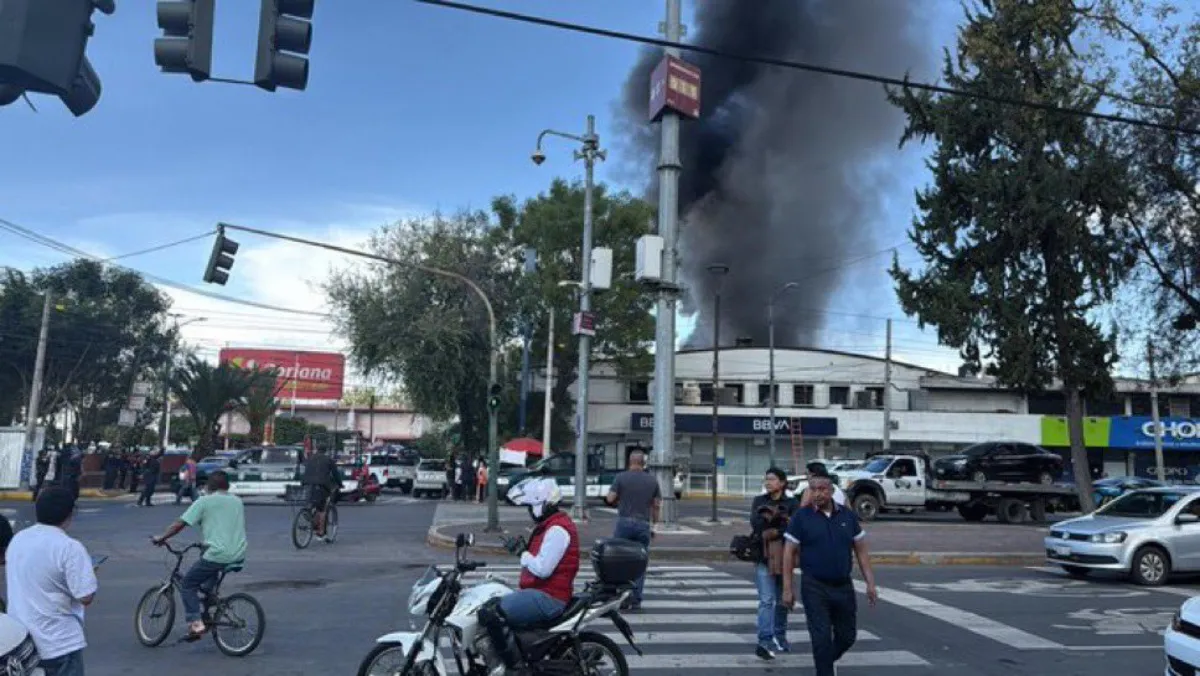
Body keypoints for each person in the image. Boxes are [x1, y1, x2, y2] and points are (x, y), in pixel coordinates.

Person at [781, 475, 877, 676]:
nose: (817, 493)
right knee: (821, 637)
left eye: (822, 489)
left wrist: (870, 583)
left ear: (832, 491)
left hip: (843, 586)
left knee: (847, 636)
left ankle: (826, 660)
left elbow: (860, 550)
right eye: (813, 489)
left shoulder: (847, 517)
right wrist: (787, 589)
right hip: (814, 586)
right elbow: (788, 553)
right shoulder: (802, 517)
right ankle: (824, 669)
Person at [480, 477, 579, 670]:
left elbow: (543, 569)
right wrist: (525, 550)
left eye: (530, 506)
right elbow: (542, 558)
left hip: (550, 597)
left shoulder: (558, 530)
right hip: (542, 591)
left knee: (492, 613)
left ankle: (513, 668)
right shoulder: (551, 525)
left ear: (543, 504)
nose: (529, 512)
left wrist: (522, 554)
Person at [6, 487, 99, 676]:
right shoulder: (69, 547)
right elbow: (85, 596)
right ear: (70, 513)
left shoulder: (18, 540)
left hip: (22, 642)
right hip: (59, 643)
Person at [151, 470, 247, 639]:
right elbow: (224, 525)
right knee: (207, 586)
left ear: (209, 486)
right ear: (228, 486)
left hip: (218, 554)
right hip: (237, 553)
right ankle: (207, 611)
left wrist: (162, 537)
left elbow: (179, 524)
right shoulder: (237, 501)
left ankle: (196, 623)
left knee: (188, 584)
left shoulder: (204, 502)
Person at [750, 467, 800, 659]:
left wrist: (777, 531)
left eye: (771, 479)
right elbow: (756, 524)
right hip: (764, 556)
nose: (768, 482)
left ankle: (780, 636)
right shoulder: (759, 501)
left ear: (782, 483)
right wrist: (776, 523)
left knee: (782, 601)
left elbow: (793, 526)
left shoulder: (792, 503)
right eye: (766, 479)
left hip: (785, 557)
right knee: (766, 600)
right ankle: (764, 639)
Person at [604, 450, 660, 611]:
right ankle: (635, 599)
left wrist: (620, 497)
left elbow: (610, 498)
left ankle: (620, 595)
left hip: (624, 523)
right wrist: (654, 526)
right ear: (643, 463)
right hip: (643, 524)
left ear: (630, 462)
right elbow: (656, 506)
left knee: (619, 560)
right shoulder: (652, 480)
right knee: (640, 562)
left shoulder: (621, 477)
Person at [300, 448, 340, 539]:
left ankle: (309, 514)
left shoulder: (309, 459)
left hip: (307, 484)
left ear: (316, 450)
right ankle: (321, 531)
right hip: (321, 485)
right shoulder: (328, 460)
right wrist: (340, 484)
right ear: (325, 451)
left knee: (311, 501)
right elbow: (335, 474)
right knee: (322, 508)